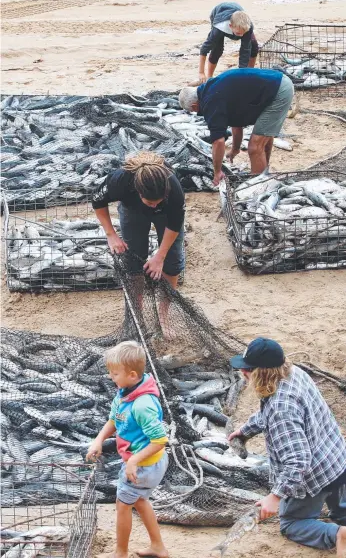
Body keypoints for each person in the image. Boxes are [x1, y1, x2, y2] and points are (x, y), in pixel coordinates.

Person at [228, 337, 346, 557]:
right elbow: (270, 410)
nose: (243, 373)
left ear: (260, 373)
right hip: (338, 461)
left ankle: (338, 535)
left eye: (247, 369)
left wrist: (275, 497)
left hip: (314, 477)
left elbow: (298, 461)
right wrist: (246, 429)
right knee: (342, 510)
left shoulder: (281, 409)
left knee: (292, 523)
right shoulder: (293, 373)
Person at [86, 341, 169, 558]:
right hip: (142, 462)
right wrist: (98, 440)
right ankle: (158, 547)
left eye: (114, 373)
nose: (111, 377)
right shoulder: (124, 392)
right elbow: (114, 419)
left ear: (132, 375)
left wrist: (132, 462)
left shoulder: (143, 404)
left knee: (122, 505)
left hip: (143, 464)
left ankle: (120, 553)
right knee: (140, 501)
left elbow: (160, 440)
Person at [179, 68, 294, 183]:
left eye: (194, 111)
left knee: (255, 147)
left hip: (278, 91)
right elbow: (236, 124)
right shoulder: (210, 89)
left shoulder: (211, 101)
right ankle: (264, 173)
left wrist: (217, 172)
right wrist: (235, 149)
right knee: (262, 136)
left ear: (194, 106)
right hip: (277, 82)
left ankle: (260, 187)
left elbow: (218, 142)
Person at [92, 151, 185, 288]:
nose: (154, 206)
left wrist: (160, 257)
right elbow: (97, 201)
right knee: (133, 259)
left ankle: (165, 310)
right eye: (150, 203)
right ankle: (137, 308)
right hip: (132, 210)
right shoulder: (121, 180)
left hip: (166, 214)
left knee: (172, 260)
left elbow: (175, 224)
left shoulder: (174, 188)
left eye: (158, 202)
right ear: (139, 192)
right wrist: (111, 234)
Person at [199, 2, 258, 83]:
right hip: (218, 13)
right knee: (217, 49)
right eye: (238, 33)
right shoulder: (219, 28)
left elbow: (245, 50)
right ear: (230, 26)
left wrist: (242, 73)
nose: (241, 36)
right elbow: (204, 49)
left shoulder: (248, 27)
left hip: (238, 16)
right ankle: (209, 77)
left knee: (253, 45)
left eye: (243, 33)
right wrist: (201, 73)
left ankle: (249, 73)